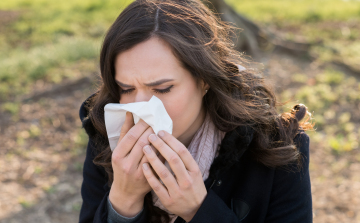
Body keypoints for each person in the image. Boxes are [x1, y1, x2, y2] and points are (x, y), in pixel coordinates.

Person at [78, 0, 314, 222]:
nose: (140, 107)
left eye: (162, 89)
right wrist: (123, 201)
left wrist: (199, 210)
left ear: (204, 80)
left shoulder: (278, 146)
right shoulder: (108, 137)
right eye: (126, 88)